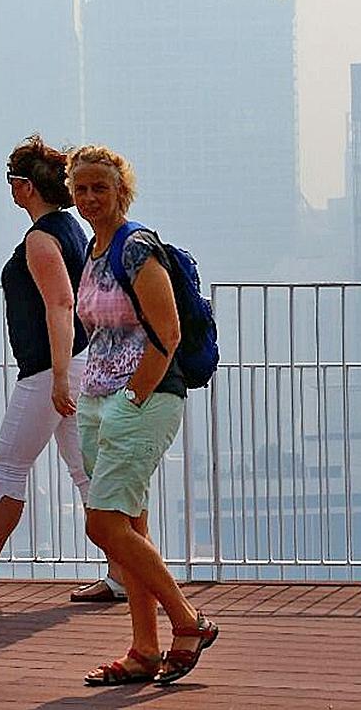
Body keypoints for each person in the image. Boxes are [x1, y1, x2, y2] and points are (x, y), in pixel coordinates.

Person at [0, 135, 124, 604]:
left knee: (8, 464)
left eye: (14, 181)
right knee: (86, 470)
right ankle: (121, 572)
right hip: (80, 362)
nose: (11, 189)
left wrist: (55, 376)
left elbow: (60, 302)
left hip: (51, 368)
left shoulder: (41, 238)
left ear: (27, 187)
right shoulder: (75, 230)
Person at [68, 145, 219, 687]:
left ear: (120, 191)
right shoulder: (93, 249)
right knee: (126, 525)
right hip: (100, 395)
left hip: (144, 396)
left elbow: (168, 332)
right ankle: (143, 649)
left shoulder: (135, 247)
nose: (89, 198)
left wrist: (133, 397)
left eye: (99, 188)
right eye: (81, 188)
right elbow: (99, 328)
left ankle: (187, 620)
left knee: (103, 522)